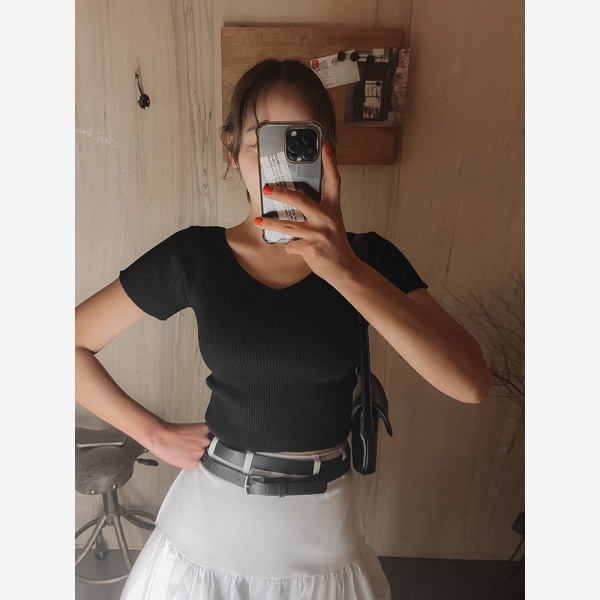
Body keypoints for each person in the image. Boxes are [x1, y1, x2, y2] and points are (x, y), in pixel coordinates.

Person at [75, 58, 492, 600]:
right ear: (232, 150)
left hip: (325, 539)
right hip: (207, 536)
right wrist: (152, 433)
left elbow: (470, 382)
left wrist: (345, 270)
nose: (278, 163)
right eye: (261, 141)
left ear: (327, 152)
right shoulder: (194, 256)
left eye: (299, 140)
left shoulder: (368, 259)